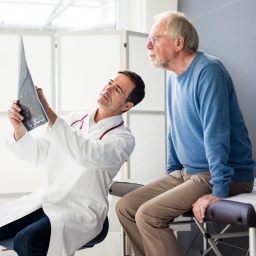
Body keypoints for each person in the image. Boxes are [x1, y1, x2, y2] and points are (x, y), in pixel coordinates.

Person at [115, 11, 256, 256]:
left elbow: (217, 133)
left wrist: (219, 192)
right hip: (189, 173)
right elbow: (174, 130)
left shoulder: (208, 70)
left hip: (223, 174)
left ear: (179, 43)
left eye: (155, 39)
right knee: (126, 207)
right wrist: (172, 174)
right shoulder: (173, 78)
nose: (148, 45)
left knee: (148, 215)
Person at [0, 70, 145, 256]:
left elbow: (87, 153)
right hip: (47, 200)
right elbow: (37, 154)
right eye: (109, 82)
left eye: (117, 89)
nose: (107, 89)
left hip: (81, 210)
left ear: (127, 105)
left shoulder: (123, 139)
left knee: (27, 240)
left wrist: (48, 112)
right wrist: (19, 128)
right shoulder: (74, 119)